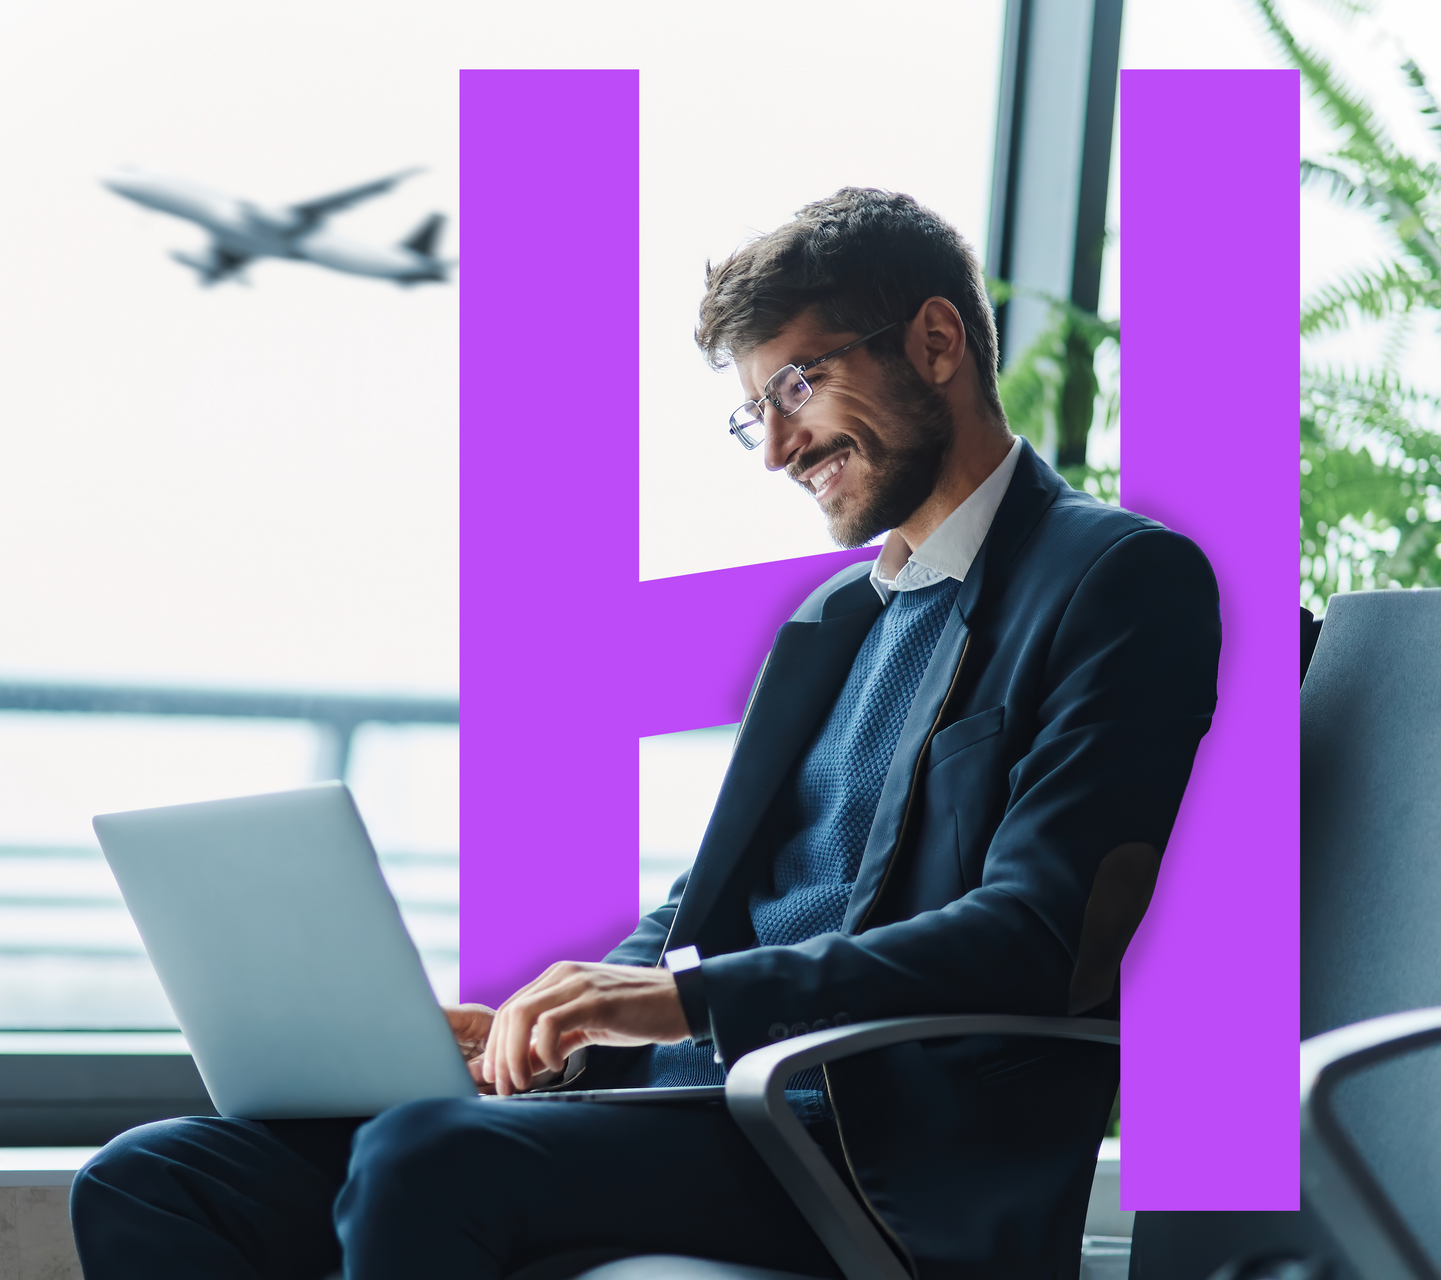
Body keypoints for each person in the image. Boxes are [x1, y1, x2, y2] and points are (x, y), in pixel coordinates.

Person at [70, 188, 1221, 1280]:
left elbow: (1033, 932)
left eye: (799, 384)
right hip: (688, 1102)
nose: (776, 449)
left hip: (862, 1151)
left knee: (425, 1161)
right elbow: (715, 896)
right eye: (753, 410)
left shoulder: (1114, 579)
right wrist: (566, 1016)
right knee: (160, 1176)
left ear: (932, 341)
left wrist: (694, 999)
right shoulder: (834, 622)